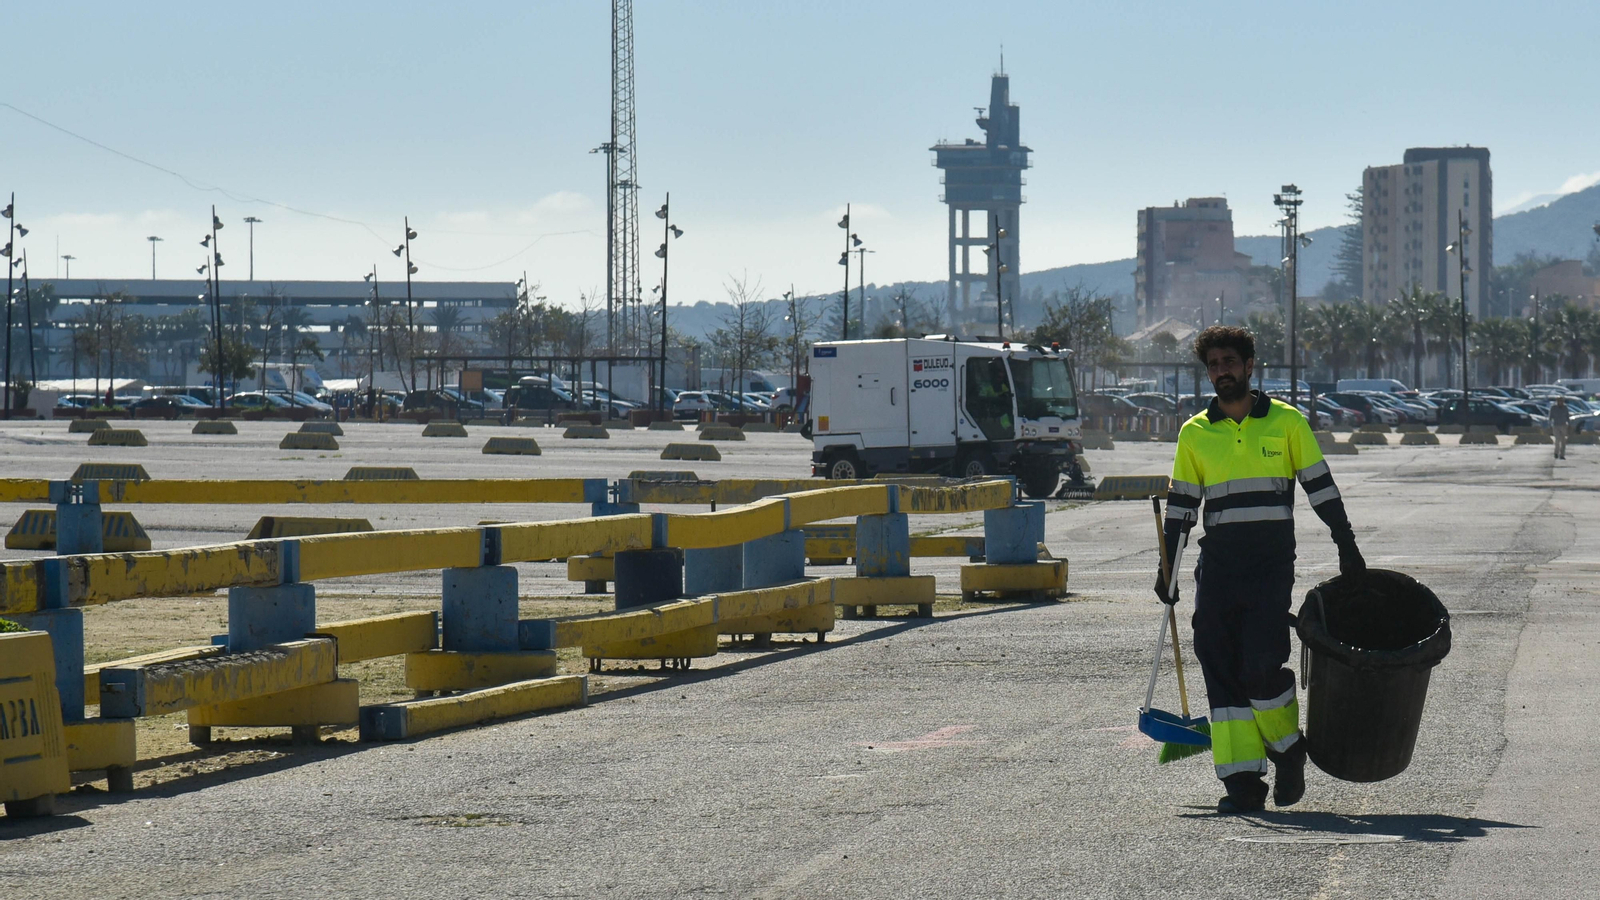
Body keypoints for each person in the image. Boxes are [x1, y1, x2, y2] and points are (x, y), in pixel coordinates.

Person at [1157, 326, 1365, 814]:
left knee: (1259, 666)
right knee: (1219, 665)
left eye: (1229, 361)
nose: (1221, 371)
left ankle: (1289, 749)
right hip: (1219, 566)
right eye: (1213, 364)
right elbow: (1182, 506)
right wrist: (1166, 567)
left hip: (1270, 566)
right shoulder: (1195, 432)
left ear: (1250, 366)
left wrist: (1346, 543)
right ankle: (1242, 783)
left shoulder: (1286, 423)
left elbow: (1320, 487)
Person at [1550, 396, 1569, 460]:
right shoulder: (1553, 408)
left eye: (1561, 401)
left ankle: (1562, 455)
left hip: (1563, 425)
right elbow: (1550, 416)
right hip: (1556, 425)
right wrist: (1549, 424)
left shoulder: (1565, 408)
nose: (1560, 402)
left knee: (1563, 441)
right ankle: (1556, 453)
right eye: (1559, 401)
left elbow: (1567, 416)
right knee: (1557, 440)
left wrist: (1569, 424)